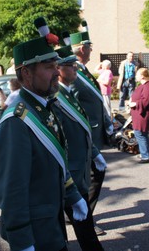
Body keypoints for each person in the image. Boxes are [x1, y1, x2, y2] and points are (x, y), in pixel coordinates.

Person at [0, 35, 87, 251]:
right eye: (48, 67)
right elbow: (12, 190)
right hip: (35, 233)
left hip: (52, 225)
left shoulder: (45, 109)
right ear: (26, 73)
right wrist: (22, 240)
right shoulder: (16, 122)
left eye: (56, 65)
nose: (56, 72)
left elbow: (58, 162)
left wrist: (73, 196)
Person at [52, 44, 105, 251]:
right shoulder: (56, 99)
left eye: (75, 65)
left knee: (78, 230)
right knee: (85, 232)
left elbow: (81, 129)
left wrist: (95, 153)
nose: (75, 69)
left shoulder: (68, 95)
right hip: (69, 174)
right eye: (70, 66)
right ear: (59, 69)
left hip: (78, 170)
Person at [71, 29, 113, 236]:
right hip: (83, 137)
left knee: (88, 176)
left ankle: (77, 213)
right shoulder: (74, 75)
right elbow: (73, 108)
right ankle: (84, 218)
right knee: (89, 177)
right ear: (82, 48)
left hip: (91, 134)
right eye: (89, 47)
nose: (90, 51)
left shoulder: (83, 71)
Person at [128, 67, 149, 163]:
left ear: (143, 76)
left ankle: (145, 155)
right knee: (141, 134)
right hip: (139, 114)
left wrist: (135, 104)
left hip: (143, 114)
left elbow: (146, 100)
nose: (135, 76)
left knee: (140, 133)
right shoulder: (143, 85)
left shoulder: (148, 86)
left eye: (137, 75)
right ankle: (145, 153)